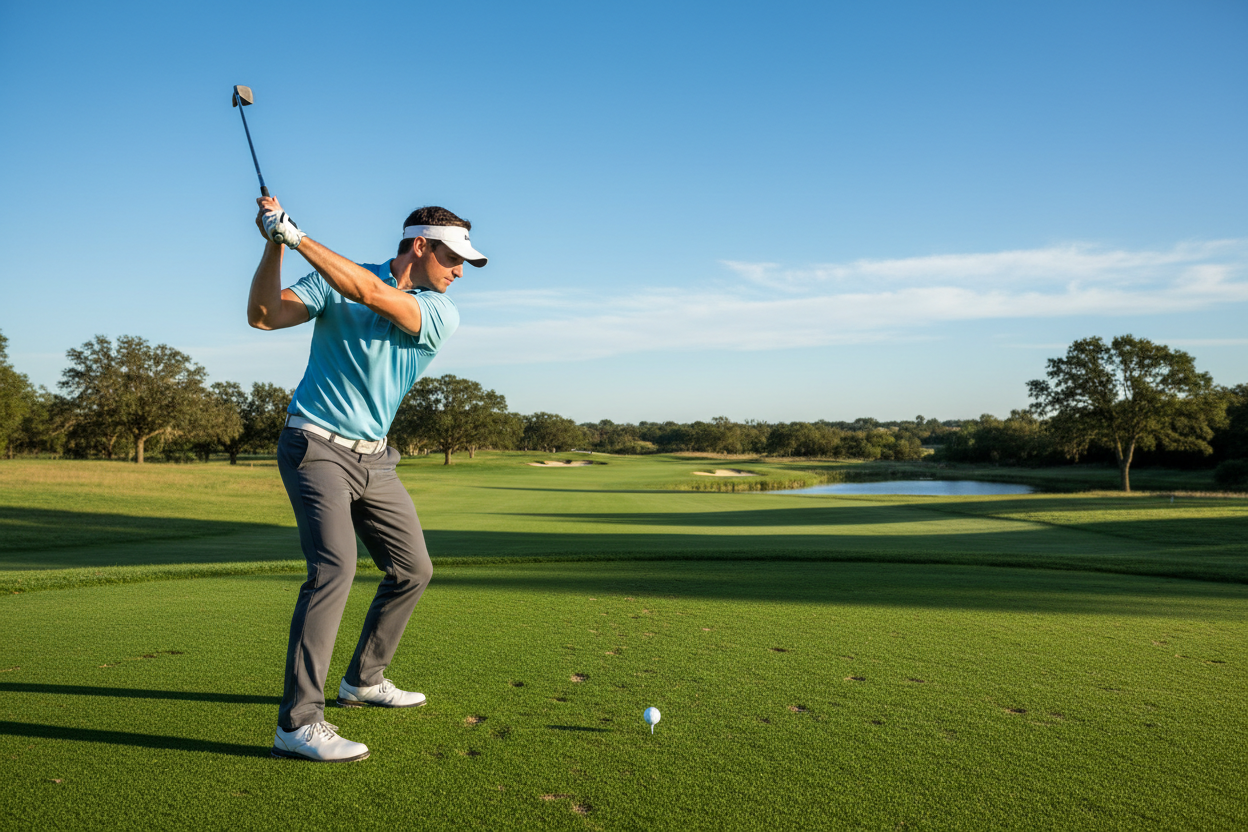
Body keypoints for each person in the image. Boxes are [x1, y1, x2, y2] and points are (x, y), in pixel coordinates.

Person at [246, 196, 487, 762]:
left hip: (375, 458)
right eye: (453, 258)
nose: (459, 272)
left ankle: (363, 680)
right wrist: (273, 244)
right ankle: (299, 722)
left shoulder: (437, 311)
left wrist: (297, 236)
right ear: (420, 245)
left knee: (413, 569)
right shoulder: (334, 277)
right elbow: (263, 316)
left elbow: (373, 294)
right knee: (335, 568)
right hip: (315, 444)